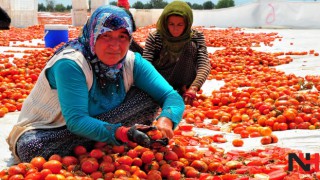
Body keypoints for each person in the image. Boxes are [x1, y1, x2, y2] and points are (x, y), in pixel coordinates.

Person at [7, 5, 184, 163]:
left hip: (106, 121)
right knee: (31, 148)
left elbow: (171, 96)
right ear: (92, 36)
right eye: (106, 35)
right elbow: (76, 121)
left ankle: (98, 142)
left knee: (150, 97)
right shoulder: (71, 64)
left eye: (122, 36)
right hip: (54, 129)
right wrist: (123, 133)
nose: (115, 45)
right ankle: (104, 141)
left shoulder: (132, 62)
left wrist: (166, 121)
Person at [143, 1, 211, 105]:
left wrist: (194, 87)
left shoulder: (196, 36)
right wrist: (155, 88)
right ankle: (169, 89)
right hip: (161, 79)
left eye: (180, 24)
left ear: (187, 23)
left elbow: (204, 63)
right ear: (165, 23)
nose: (175, 29)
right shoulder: (156, 37)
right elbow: (146, 64)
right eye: (171, 24)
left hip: (185, 77)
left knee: (190, 46)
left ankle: (183, 86)